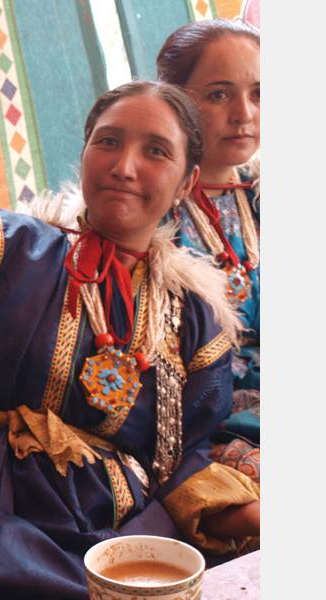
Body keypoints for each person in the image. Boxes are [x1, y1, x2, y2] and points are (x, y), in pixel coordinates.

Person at [0, 81, 260, 598]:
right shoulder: (7, 252)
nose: (124, 166)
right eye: (107, 141)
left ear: (187, 180)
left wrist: (255, 515)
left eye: (155, 151)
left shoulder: (194, 315)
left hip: (128, 532)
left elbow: (184, 458)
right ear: (83, 151)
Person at [157, 19, 261, 479]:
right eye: (219, 94)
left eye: (259, 93)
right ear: (176, 101)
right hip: (211, 429)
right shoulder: (151, 216)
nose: (244, 113)